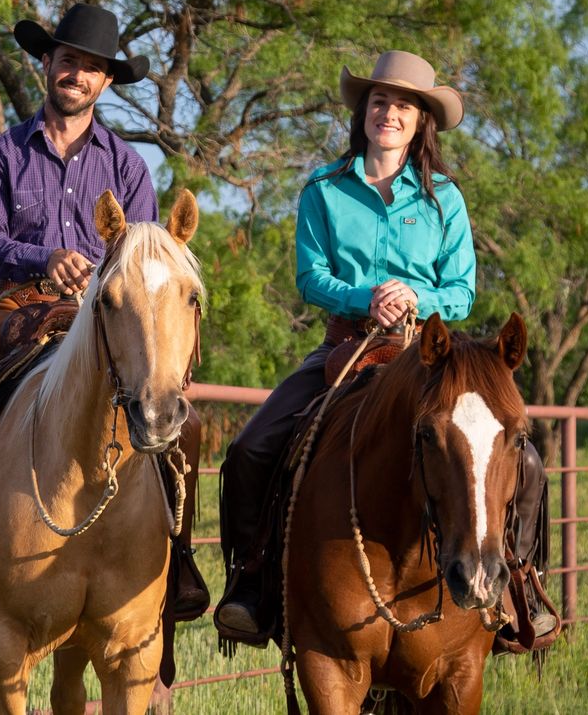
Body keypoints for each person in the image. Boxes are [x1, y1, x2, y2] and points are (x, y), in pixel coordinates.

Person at [0, 3, 210, 619]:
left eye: (92, 68)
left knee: (183, 417)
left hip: (107, 315)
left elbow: (148, 256)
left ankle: (176, 557)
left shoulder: (129, 167)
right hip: (17, 305)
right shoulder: (2, 154)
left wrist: (102, 278)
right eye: (68, 61)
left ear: (105, 83)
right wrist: (44, 258)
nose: (78, 75)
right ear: (46, 64)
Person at [214, 50, 554, 640]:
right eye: (379, 101)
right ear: (363, 111)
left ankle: (516, 585)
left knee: (522, 458)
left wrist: (417, 298)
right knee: (249, 448)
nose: (389, 112)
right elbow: (309, 276)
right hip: (347, 347)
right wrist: (366, 296)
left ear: (421, 121)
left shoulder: (444, 197)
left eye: (403, 104)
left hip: (431, 358)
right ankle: (253, 581)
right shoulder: (324, 188)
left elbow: (463, 290)